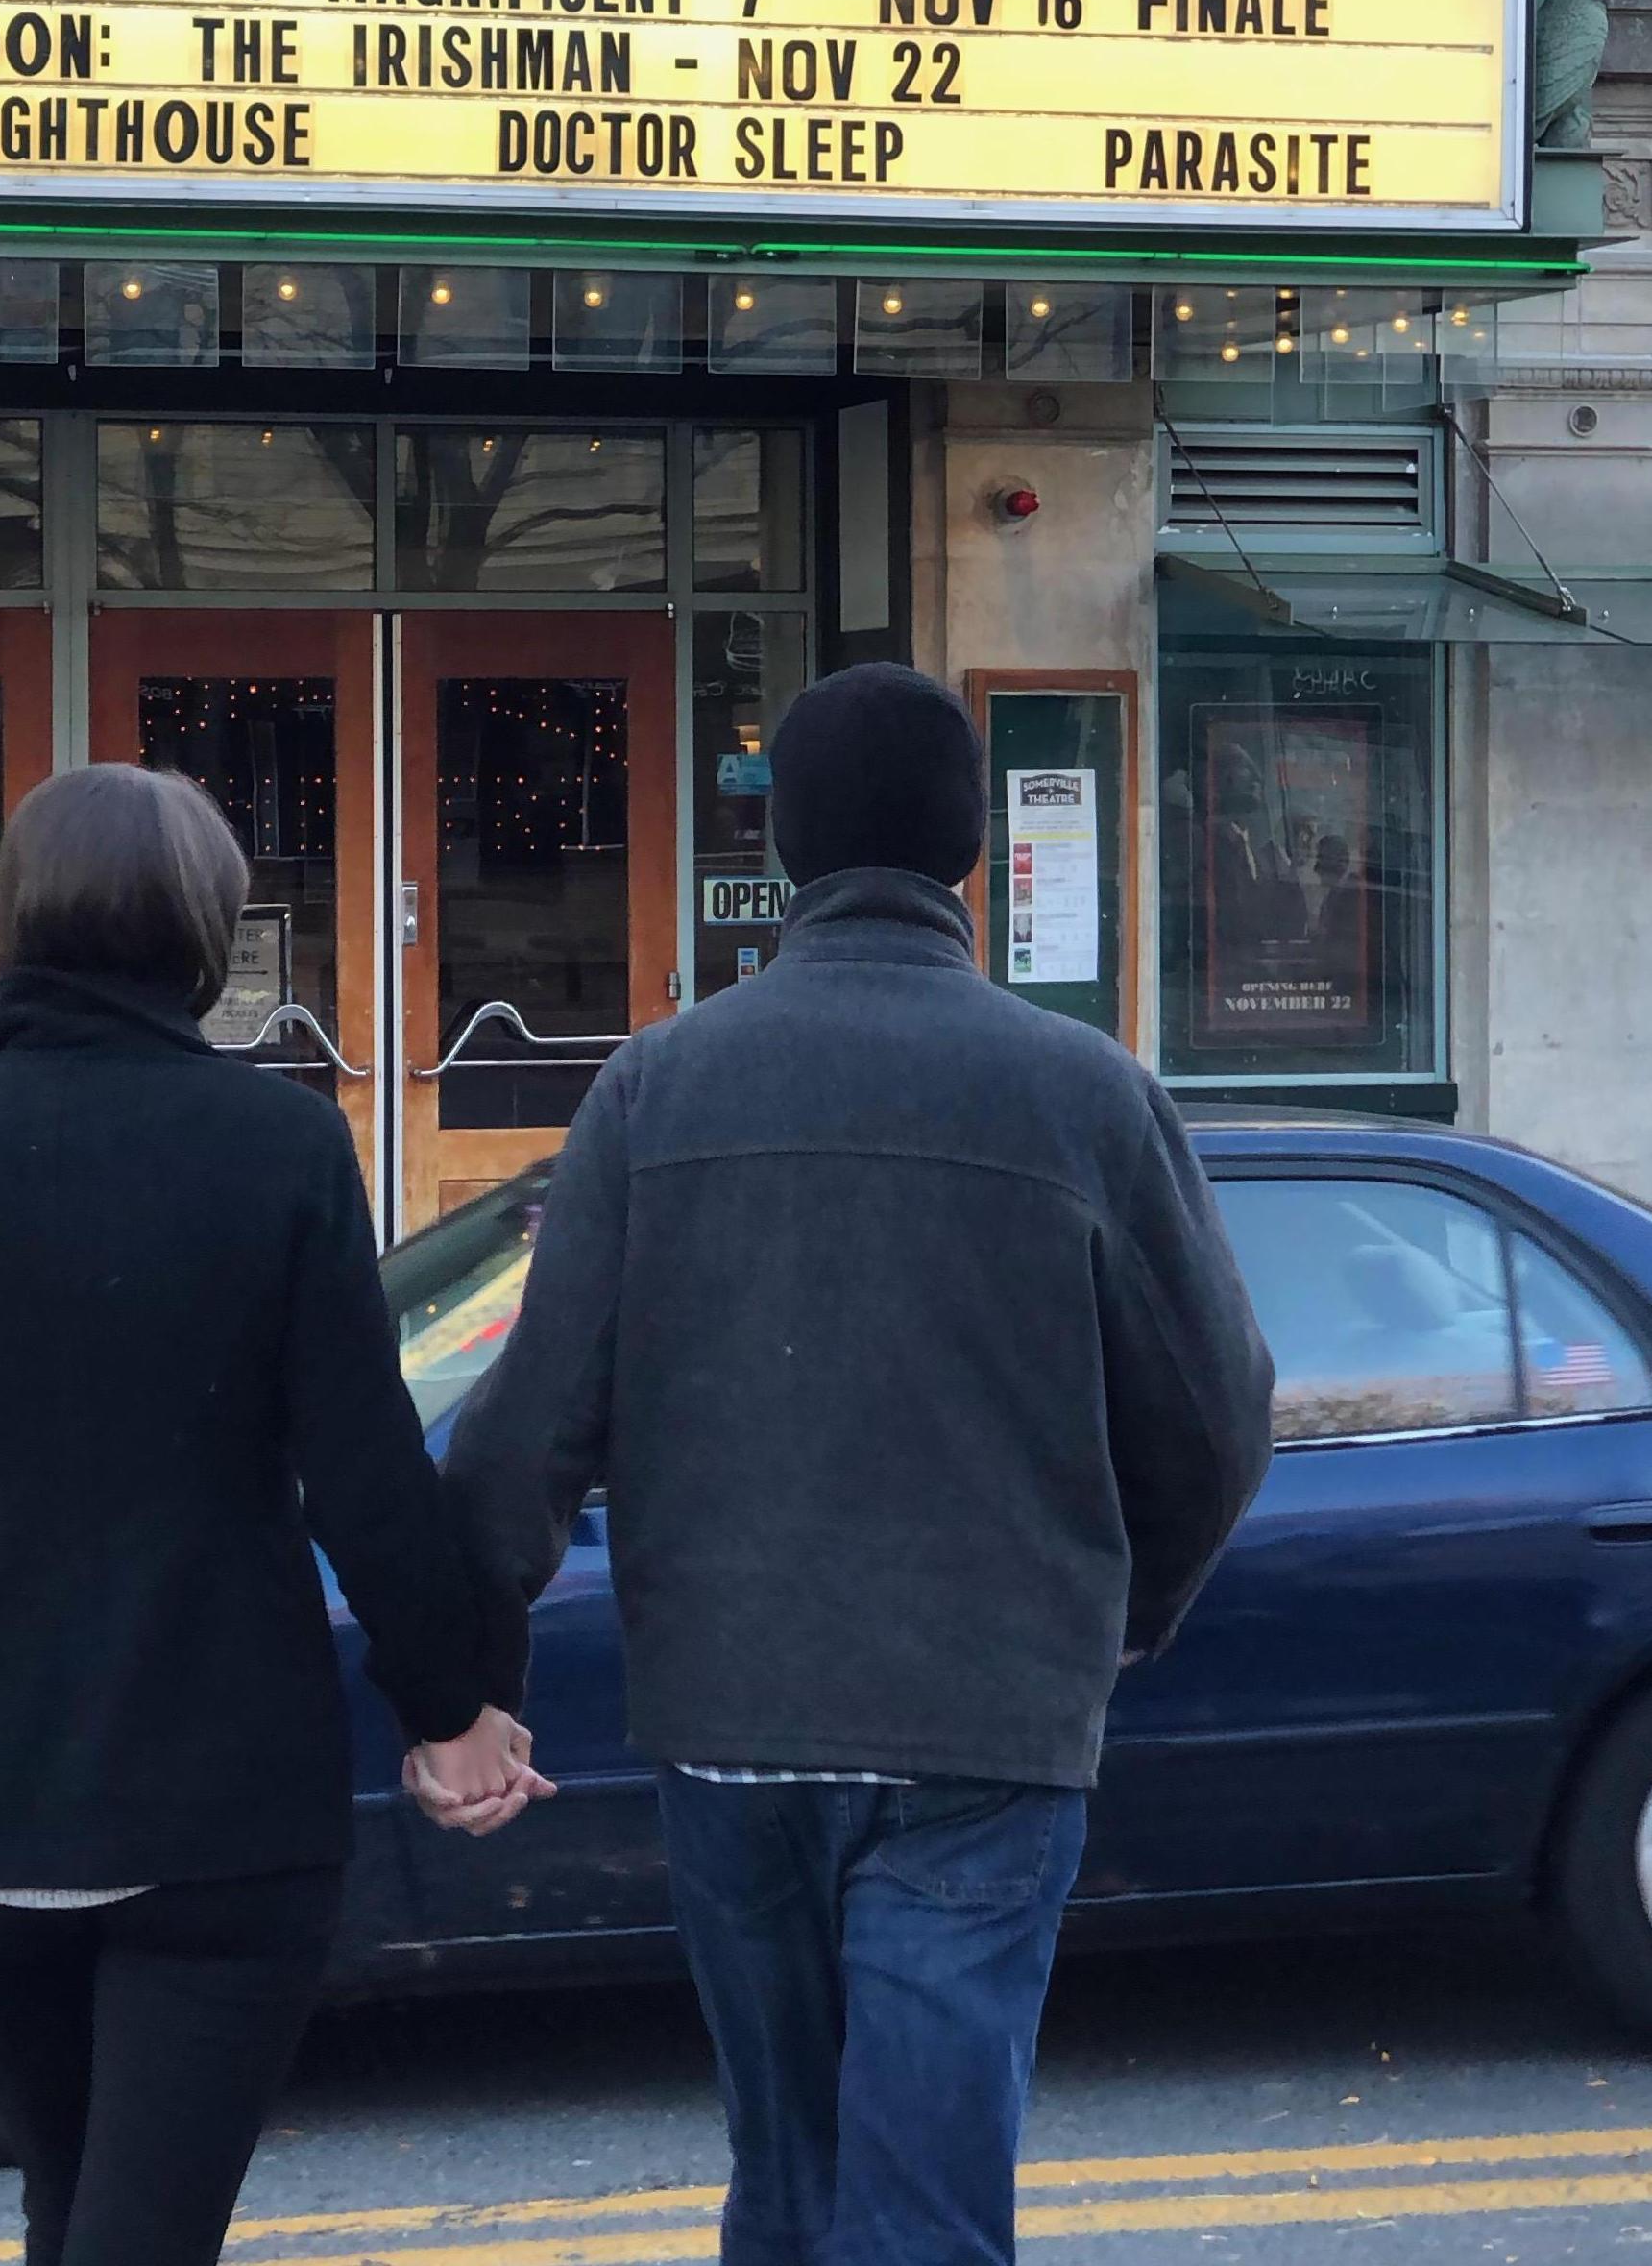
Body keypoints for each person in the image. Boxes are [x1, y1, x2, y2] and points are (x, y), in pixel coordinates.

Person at [432, 663, 1274, 2266]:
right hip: (988, 1716)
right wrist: (1110, 1621)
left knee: (791, 2171)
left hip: (735, 1712)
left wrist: (468, 1674)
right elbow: (1219, 1418)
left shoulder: (656, 1088)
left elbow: (529, 1427)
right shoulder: (1087, 1094)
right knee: (931, 2205)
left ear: (788, 845)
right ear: (970, 852)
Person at [0, 762, 547, 2266]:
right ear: (204, 932)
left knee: (70, 2205)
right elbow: (364, 1475)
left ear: (11, 925)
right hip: (223, 1799)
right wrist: (459, 1707)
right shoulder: (279, 1146)